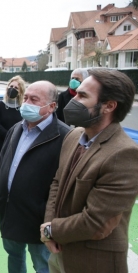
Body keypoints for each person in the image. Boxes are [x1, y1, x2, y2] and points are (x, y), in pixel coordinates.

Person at [40, 68, 138, 273]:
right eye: (76, 94)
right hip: (58, 253)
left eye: (83, 96)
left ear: (109, 106)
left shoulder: (124, 154)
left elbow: (94, 221)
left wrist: (51, 230)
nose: (73, 101)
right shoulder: (74, 135)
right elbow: (57, 182)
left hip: (92, 260)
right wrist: (49, 226)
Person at [0, 81, 70, 273]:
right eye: (26, 98)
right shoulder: (17, 128)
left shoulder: (65, 136)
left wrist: (53, 222)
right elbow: (2, 167)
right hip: (11, 213)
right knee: (14, 256)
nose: (26, 103)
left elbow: (65, 184)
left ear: (51, 107)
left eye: (34, 99)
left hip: (40, 220)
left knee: (43, 264)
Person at [0, 75, 25, 160]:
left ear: (20, 91)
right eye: (11, 86)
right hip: (2, 143)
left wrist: (15, 138)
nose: (12, 89)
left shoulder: (23, 107)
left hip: (18, 143)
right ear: (7, 87)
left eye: (16, 88)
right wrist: (9, 136)